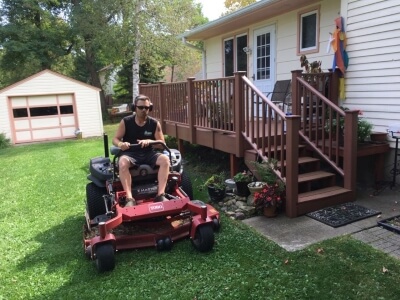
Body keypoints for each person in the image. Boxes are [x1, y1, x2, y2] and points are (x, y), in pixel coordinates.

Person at [112, 94, 170, 207]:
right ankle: (129, 198)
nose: (144, 110)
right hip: (130, 153)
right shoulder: (126, 121)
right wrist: (120, 144)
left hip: (149, 153)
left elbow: (162, 144)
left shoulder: (154, 123)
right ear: (134, 108)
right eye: (141, 107)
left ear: (150, 108)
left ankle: (161, 194)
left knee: (165, 160)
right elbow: (115, 139)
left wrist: (150, 141)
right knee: (122, 162)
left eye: (147, 108)